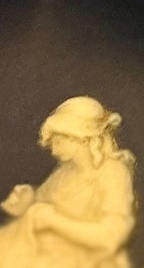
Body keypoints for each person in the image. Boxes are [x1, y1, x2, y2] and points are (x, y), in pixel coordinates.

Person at [0, 97, 136, 267]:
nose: (53, 149)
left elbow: (111, 237)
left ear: (81, 138)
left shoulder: (112, 172)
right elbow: (41, 209)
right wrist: (27, 201)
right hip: (46, 253)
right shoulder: (64, 174)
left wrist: (54, 221)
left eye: (58, 140)